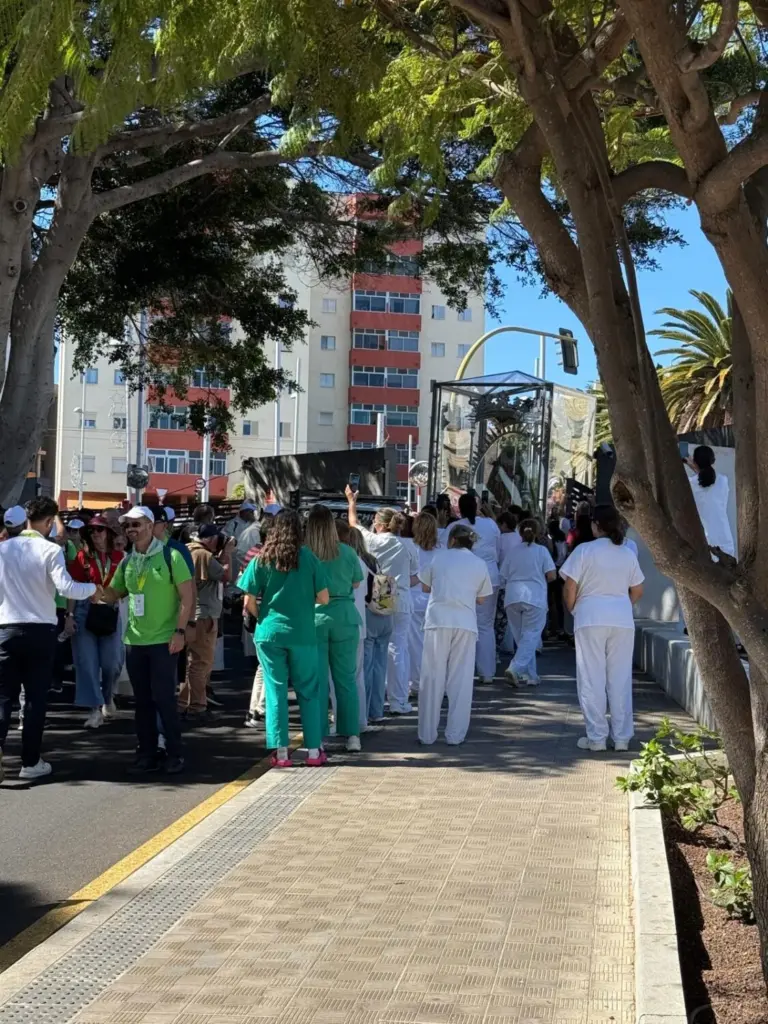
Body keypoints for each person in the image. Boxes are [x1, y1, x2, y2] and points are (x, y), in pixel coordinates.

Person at [0, 497, 98, 782]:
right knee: (34, 700)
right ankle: (30, 762)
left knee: (3, 697)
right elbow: (66, 587)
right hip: (40, 631)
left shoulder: (3, 549)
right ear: (46, 522)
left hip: (5, 629)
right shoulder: (50, 550)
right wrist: (93, 588)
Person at [102, 506, 195, 775]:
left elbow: (187, 597)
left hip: (165, 640)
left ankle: (174, 753)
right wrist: (92, 590)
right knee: (142, 701)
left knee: (164, 699)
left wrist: (180, 631)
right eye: (128, 526)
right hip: (135, 640)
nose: (131, 530)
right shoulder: (127, 561)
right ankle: (147, 751)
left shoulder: (172, 555)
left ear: (151, 525)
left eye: (137, 524)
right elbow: (115, 593)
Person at [237, 509, 329, 767]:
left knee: (276, 690)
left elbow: (249, 601)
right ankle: (313, 751)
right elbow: (324, 598)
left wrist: (263, 617)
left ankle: (280, 752)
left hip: (269, 632)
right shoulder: (308, 557)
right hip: (302, 632)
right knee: (308, 691)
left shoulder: (262, 558)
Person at [560, 504, 644, 752]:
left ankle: (596, 737)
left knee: (591, 677)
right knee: (620, 678)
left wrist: (574, 608)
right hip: (621, 619)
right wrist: (620, 605)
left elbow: (569, 586)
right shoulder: (627, 552)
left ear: (596, 525)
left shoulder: (584, 551)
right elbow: (638, 590)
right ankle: (621, 737)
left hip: (590, 616)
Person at [417, 525, 493, 745]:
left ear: (451, 541)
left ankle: (427, 734)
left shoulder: (438, 559)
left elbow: (424, 587)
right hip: (465, 622)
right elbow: (482, 598)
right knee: (460, 679)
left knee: (432, 676)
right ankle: (455, 734)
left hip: (438, 620)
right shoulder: (480, 564)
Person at [346, 487, 417, 715]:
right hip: (402, 599)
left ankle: (373, 703)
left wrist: (351, 502)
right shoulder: (408, 545)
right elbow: (416, 576)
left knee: (372, 654)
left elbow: (353, 524)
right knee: (399, 650)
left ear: (380, 524)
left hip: (376, 598)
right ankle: (398, 699)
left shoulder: (373, 541)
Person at [305, 505, 363, 752]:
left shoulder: (306, 553)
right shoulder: (348, 551)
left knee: (316, 683)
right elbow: (357, 582)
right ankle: (352, 735)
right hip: (345, 617)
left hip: (315, 618)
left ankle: (316, 739)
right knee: (346, 680)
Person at [65, 515, 125, 728]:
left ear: (108, 533)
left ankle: (107, 697)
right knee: (87, 663)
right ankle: (94, 709)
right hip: (84, 610)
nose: (96, 535)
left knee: (112, 663)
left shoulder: (120, 556)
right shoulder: (82, 557)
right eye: (91, 531)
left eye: (99, 530)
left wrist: (113, 595)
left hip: (109, 610)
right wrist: (69, 616)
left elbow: (127, 587)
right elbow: (72, 588)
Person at [446, 492, 501, 683]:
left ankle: (463, 670)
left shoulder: (453, 527)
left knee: (463, 625)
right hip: (489, 577)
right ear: (477, 506)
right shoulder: (491, 525)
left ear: (459, 508)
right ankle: (487, 672)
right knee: (486, 626)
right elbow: (498, 550)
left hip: (460, 579)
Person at [181, 525, 234, 719]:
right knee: (201, 662)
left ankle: (183, 701)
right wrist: (227, 553)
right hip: (204, 615)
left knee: (191, 661)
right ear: (211, 539)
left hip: (191, 613)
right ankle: (197, 705)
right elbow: (226, 575)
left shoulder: (188, 550)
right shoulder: (204, 555)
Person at [501, 519, 556, 686]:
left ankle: (530, 675)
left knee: (522, 639)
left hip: (512, 597)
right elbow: (552, 575)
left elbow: (503, 575)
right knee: (531, 636)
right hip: (534, 597)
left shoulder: (513, 552)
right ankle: (515, 668)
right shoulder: (541, 551)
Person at [343, 523, 380, 735]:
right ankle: (361, 719)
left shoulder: (347, 562)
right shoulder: (368, 562)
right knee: (359, 675)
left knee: (341, 677)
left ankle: (345, 722)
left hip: (346, 622)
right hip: (362, 621)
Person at [408, 512, 439, 698]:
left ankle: (418, 682)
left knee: (414, 645)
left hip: (414, 598)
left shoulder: (410, 547)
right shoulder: (441, 550)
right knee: (434, 647)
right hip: (433, 600)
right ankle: (434, 682)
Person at [685, 445, 735, 559]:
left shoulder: (690, 485)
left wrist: (691, 464)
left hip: (704, 541)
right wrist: (695, 465)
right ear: (713, 460)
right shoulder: (723, 481)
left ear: (695, 461)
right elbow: (706, 480)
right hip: (725, 539)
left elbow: (701, 481)